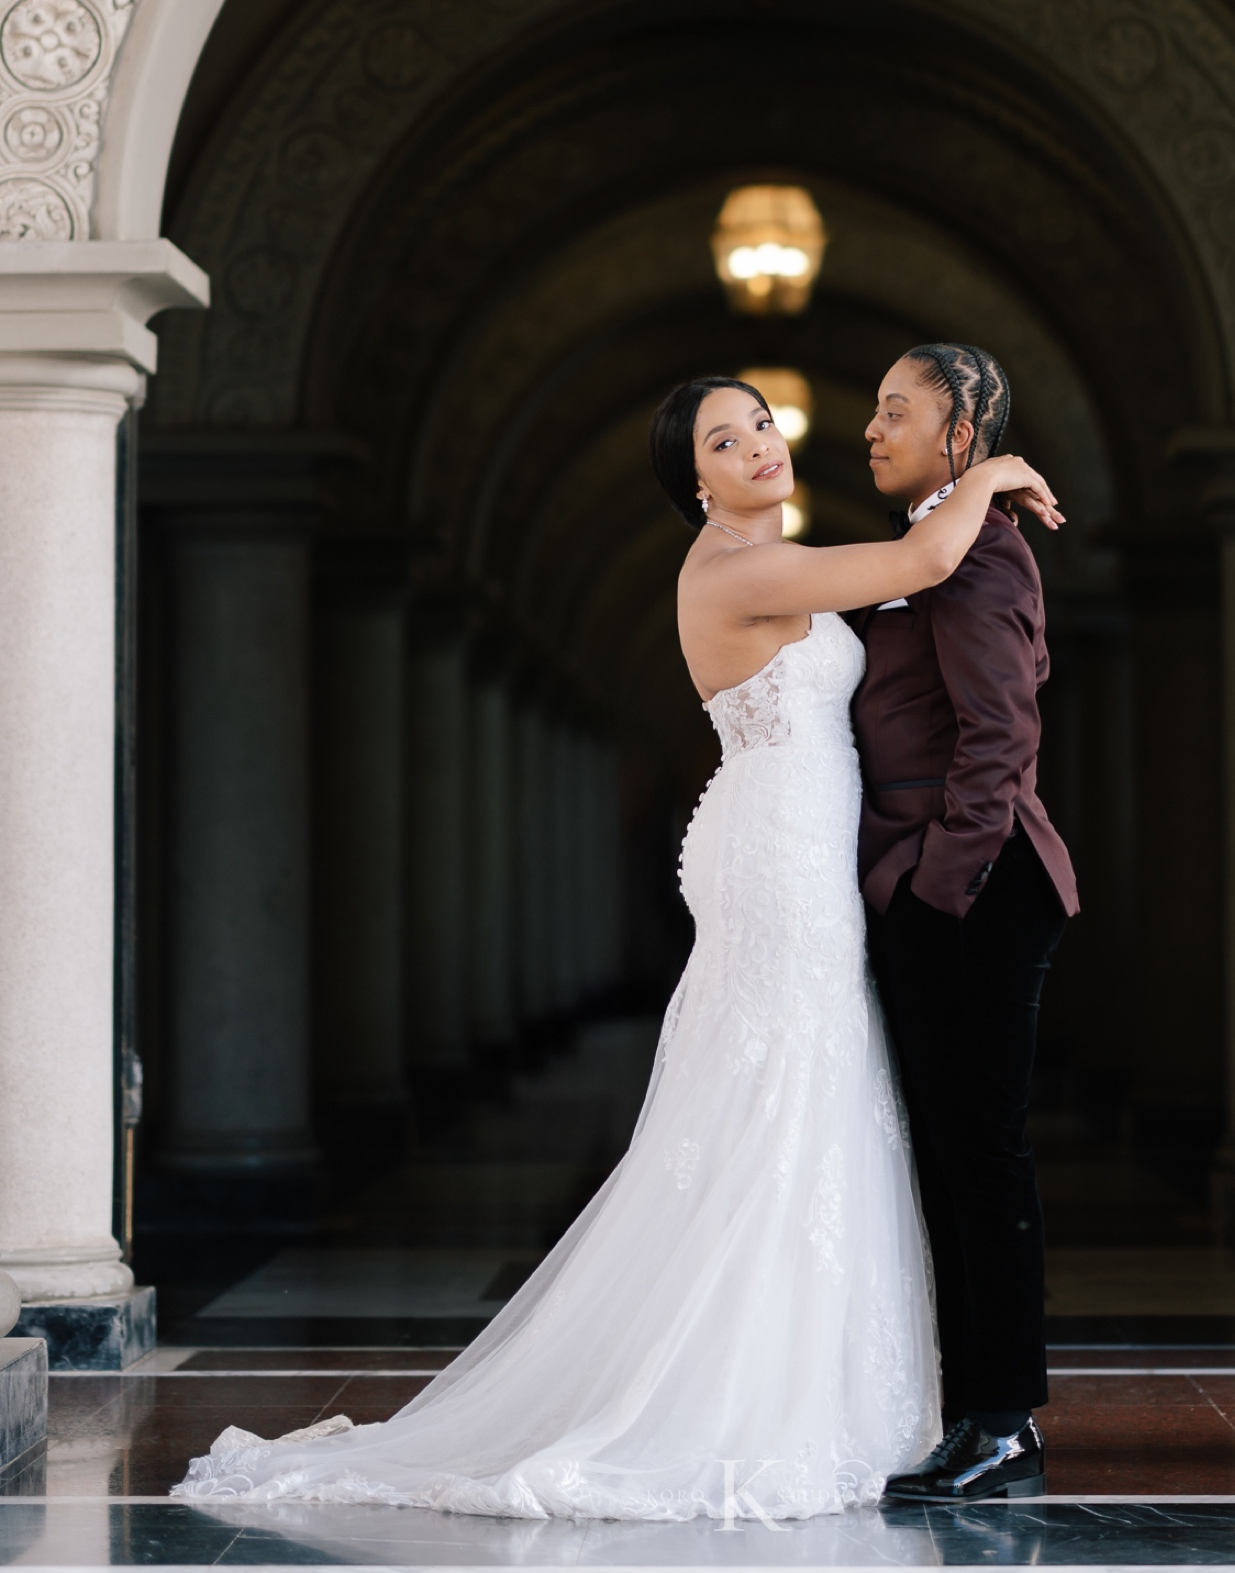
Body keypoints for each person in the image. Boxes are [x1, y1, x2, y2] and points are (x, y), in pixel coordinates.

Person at [171, 374, 1060, 1524]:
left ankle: (826, 1384)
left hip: (794, 841)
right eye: (724, 440)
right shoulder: (737, 570)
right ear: (696, 482)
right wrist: (991, 468)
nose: (757, 447)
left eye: (761, 425)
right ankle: (747, 1392)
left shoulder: (764, 563)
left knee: (808, 1097)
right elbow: (919, 565)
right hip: (782, 858)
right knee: (785, 1093)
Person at [851, 344, 1078, 1506]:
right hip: (942, 879)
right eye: (873, 409)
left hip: (974, 886)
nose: (872, 428)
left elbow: (999, 736)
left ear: (960, 434)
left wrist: (934, 887)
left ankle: (1000, 1416)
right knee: (950, 1152)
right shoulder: (934, 538)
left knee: (980, 1156)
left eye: (899, 410)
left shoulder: (979, 549)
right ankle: (979, 1405)